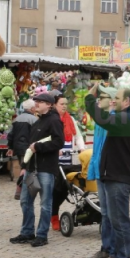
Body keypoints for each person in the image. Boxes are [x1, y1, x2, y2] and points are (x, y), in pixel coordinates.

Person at [85, 83, 130, 258]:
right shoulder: (125, 118)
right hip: (113, 176)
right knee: (115, 221)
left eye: (117, 97)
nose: (113, 100)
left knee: (120, 221)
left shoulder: (125, 119)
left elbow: (101, 117)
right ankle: (116, 256)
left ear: (126, 101)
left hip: (119, 178)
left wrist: (89, 98)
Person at [10, 93, 64, 248]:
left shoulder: (54, 121)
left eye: (40, 102)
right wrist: (24, 167)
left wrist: (39, 147)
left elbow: (59, 142)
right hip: (32, 169)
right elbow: (30, 146)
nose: (37, 104)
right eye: (36, 102)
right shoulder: (37, 121)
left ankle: (41, 235)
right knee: (25, 201)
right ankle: (27, 231)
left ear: (49, 104)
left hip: (46, 169)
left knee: (45, 204)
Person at [85, 85, 118, 258]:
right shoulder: (100, 120)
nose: (99, 99)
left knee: (112, 214)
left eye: (103, 96)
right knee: (105, 214)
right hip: (100, 171)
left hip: (110, 173)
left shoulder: (113, 120)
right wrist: (94, 88)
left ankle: (114, 252)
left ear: (112, 101)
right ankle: (105, 248)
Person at [51, 95, 85, 231]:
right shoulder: (52, 119)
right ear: (54, 105)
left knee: (66, 187)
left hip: (68, 160)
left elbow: (78, 136)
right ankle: (53, 215)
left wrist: (81, 148)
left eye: (66, 103)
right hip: (54, 161)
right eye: (61, 104)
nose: (64, 106)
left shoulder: (70, 119)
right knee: (56, 190)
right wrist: (55, 147)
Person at [7, 99, 38, 200]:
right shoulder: (34, 120)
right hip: (29, 148)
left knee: (23, 167)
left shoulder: (16, 119)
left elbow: (10, 135)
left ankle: (23, 188)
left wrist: (10, 147)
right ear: (32, 108)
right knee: (27, 169)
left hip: (18, 148)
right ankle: (20, 188)